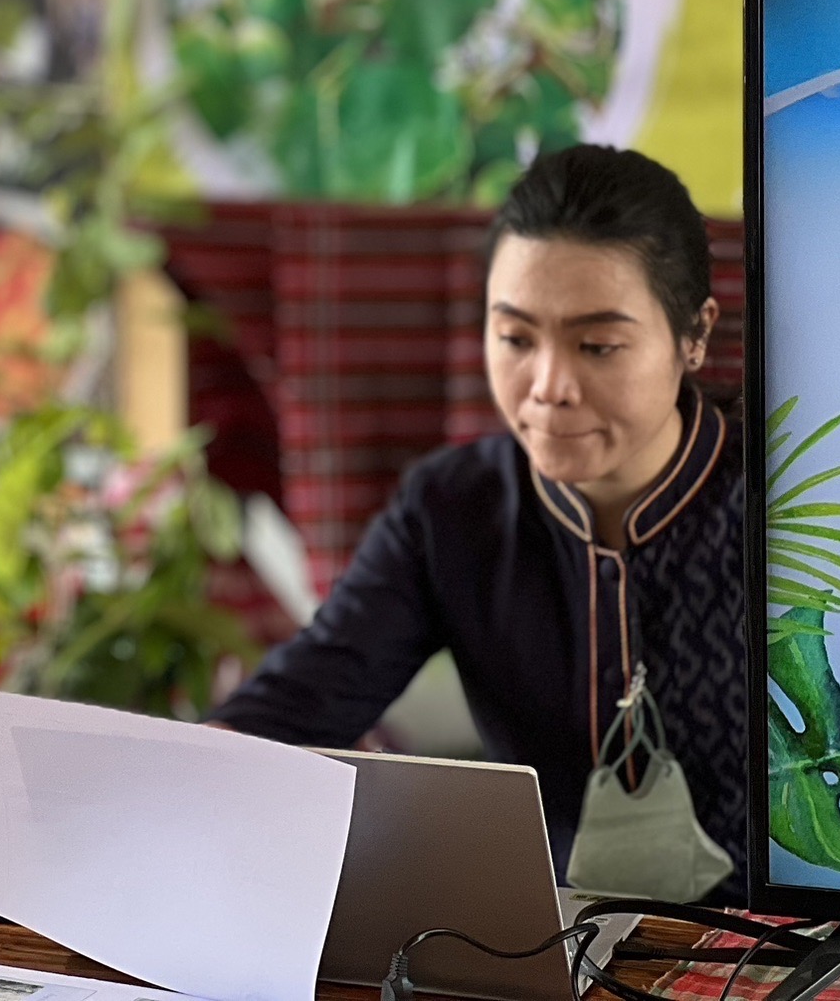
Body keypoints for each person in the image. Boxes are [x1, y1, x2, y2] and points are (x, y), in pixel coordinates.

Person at [213, 145, 746, 896]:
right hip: (556, 935)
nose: (548, 387)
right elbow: (303, 702)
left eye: (597, 345)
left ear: (694, 336)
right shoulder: (453, 509)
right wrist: (175, 771)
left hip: (792, 939)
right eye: (516, 339)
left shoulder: (792, 506)